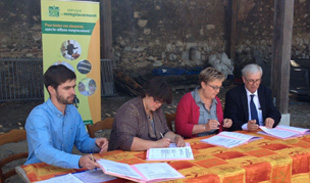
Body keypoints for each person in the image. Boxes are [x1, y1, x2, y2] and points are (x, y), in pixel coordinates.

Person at [25, 64, 109, 169]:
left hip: (64, 170)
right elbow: (43, 150)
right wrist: (78, 161)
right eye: (67, 88)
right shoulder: (38, 116)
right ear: (51, 90)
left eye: (73, 87)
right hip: (39, 169)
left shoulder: (73, 111)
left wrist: (96, 143)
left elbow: (82, 141)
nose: (73, 92)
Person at [108, 77, 186, 151]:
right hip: (123, 156)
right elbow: (125, 141)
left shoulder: (157, 109)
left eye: (161, 102)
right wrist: (156, 144)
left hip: (149, 154)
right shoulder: (130, 109)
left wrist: (176, 138)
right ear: (147, 93)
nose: (158, 105)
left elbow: (165, 131)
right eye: (156, 101)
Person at [175, 67, 232, 138]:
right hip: (195, 142)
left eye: (219, 87)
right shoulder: (187, 100)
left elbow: (219, 127)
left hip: (215, 140)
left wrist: (225, 123)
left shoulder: (216, 100)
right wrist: (204, 127)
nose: (218, 91)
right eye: (214, 87)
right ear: (203, 85)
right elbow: (180, 128)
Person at [224, 63, 281, 131]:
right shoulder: (233, 95)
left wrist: (272, 119)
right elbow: (230, 119)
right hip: (244, 133)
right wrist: (245, 126)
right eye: (251, 80)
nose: (254, 84)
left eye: (257, 80)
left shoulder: (265, 91)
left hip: (264, 130)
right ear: (244, 79)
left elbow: (275, 112)